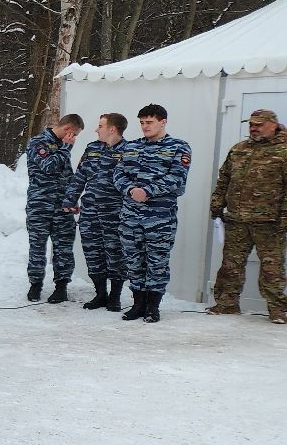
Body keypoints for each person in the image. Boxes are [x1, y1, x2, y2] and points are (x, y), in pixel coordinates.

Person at [113, 104, 192, 323]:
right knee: (133, 261)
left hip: (160, 218)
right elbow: (118, 174)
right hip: (130, 216)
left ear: (163, 122)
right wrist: (130, 190)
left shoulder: (178, 147)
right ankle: (138, 304)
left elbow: (177, 178)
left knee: (157, 262)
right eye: (141, 123)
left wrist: (147, 191)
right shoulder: (131, 147)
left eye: (149, 122)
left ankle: (152, 307)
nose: (144, 127)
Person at [207, 109, 286, 323]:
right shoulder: (239, 149)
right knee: (230, 265)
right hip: (236, 220)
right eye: (251, 124)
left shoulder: (283, 150)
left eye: (259, 124)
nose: (253, 128)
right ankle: (227, 304)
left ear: (273, 124)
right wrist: (216, 205)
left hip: (269, 222)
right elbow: (224, 179)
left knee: (272, 268)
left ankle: (278, 310)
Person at [63, 112, 129, 310]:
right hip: (90, 212)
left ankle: (115, 296)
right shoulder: (92, 148)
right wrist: (70, 199)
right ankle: (100, 294)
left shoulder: (129, 150)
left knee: (116, 254)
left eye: (100, 126)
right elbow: (80, 177)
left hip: (115, 213)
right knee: (93, 254)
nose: (96, 129)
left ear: (112, 129)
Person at [25, 113, 83, 303]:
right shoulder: (38, 142)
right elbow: (49, 166)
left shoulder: (63, 146)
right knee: (37, 247)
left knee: (64, 248)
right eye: (74, 134)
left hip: (62, 207)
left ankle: (61, 286)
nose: (74, 138)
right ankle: (35, 285)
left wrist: (72, 200)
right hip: (40, 205)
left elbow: (68, 176)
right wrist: (66, 148)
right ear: (67, 129)